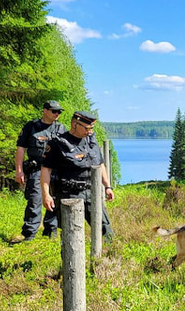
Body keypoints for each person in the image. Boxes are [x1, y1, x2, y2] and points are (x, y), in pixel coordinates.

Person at [40, 111, 115, 239]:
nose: (90, 131)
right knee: (72, 233)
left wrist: (108, 186)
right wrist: (46, 195)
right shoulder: (58, 144)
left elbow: (100, 164)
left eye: (91, 128)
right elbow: (46, 170)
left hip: (91, 192)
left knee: (105, 230)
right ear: (74, 124)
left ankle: (107, 255)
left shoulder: (91, 141)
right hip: (69, 194)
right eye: (87, 128)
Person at [11, 100, 65, 242]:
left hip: (55, 171)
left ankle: (50, 232)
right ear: (45, 110)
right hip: (36, 169)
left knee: (53, 200)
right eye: (54, 111)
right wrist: (19, 170)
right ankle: (29, 234)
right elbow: (20, 149)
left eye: (59, 112)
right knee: (35, 200)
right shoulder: (32, 126)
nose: (57, 114)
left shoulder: (61, 129)